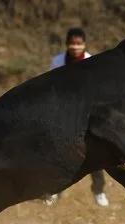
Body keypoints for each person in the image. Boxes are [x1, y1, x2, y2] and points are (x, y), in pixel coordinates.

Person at [47, 27, 109, 208]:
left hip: (85, 113)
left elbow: (95, 89)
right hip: (63, 113)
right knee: (59, 152)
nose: (75, 47)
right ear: (67, 44)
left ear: (84, 44)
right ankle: (55, 190)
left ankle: (99, 191)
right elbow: (51, 85)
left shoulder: (90, 61)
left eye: (79, 43)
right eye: (72, 43)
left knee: (93, 152)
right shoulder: (57, 61)